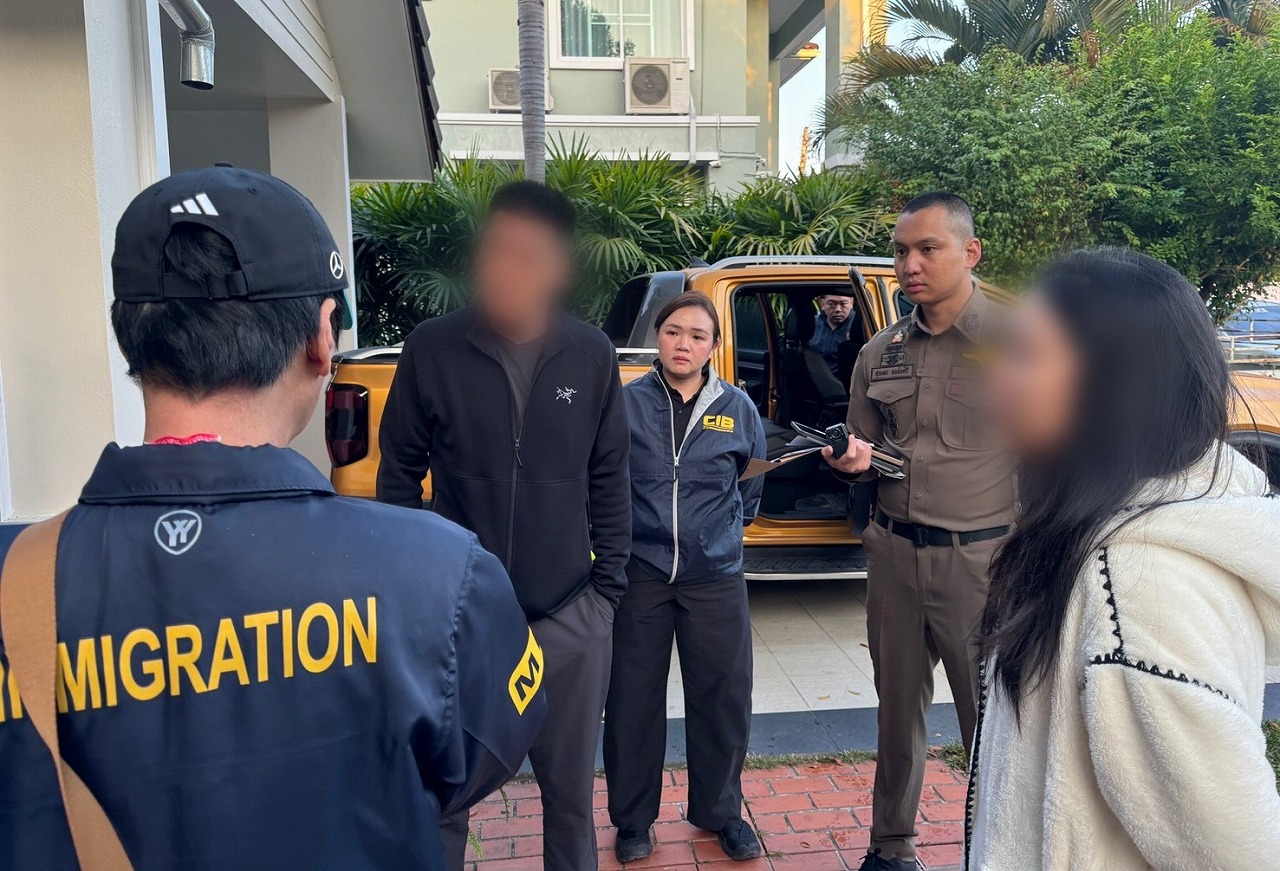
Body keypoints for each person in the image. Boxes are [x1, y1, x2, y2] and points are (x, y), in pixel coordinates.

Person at [0, 165, 545, 869]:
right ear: (322, 337)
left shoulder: (15, 584)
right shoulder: (441, 575)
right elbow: (479, 757)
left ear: (130, 336)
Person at [965, 248, 1280, 869]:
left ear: (1114, 387)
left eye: (1024, 353)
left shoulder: (1136, 589)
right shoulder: (1098, 532)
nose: (994, 375)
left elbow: (1240, 850)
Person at [377, 180, 632, 870]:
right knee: (444, 797)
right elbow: (398, 475)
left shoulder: (591, 354)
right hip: (460, 621)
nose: (508, 268)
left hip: (569, 615)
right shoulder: (432, 348)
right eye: (497, 248)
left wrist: (605, 594)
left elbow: (612, 477)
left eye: (530, 254)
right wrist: (418, 589)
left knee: (570, 800)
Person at [824, 192, 1015, 871]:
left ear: (970, 252)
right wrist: (852, 462)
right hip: (896, 555)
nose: (910, 264)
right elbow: (866, 447)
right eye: (902, 250)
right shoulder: (881, 352)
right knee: (896, 710)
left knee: (992, 721)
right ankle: (891, 846)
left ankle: (1000, 851)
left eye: (928, 248)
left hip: (982, 564)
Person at [603, 293, 767, 864]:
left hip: (714, 577)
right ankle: (632, 821)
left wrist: (721, 535)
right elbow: (604, 482)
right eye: (674, 331)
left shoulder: (737, 407)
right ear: (658, 336)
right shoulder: (624, 403)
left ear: (713, 347)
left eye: (698, 336)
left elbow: (749, 487)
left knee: (723, 699)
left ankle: (722, 813)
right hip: (642, 574)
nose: (684, 344)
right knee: (632, 701)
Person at [809, 293, 857, 375]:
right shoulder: (812, 324)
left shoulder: (859, 323)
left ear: (851, 303)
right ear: (823, 304)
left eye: (843, 304)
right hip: (815, 377)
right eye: (831, 304)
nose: (838, 309)